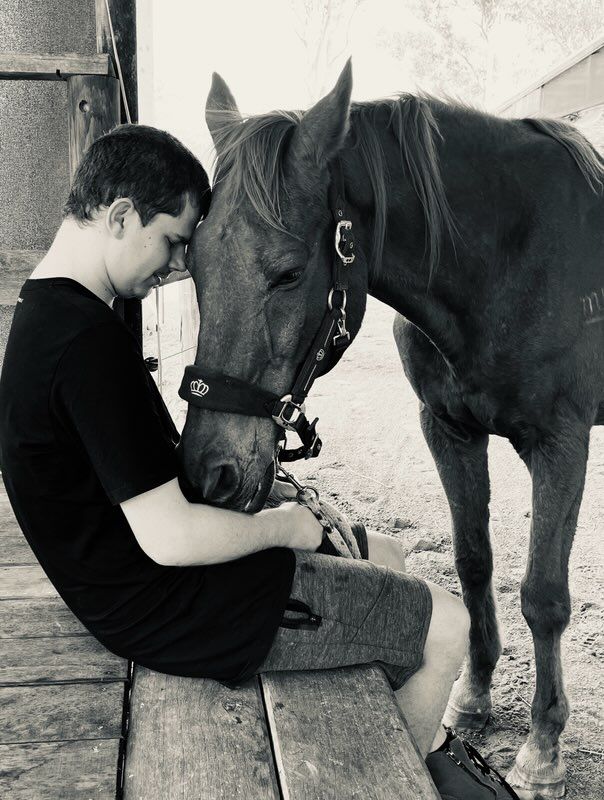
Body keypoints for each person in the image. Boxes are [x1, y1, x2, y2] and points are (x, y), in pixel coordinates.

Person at [0, 124, 518, 799]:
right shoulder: (86, 347)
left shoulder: (49, 315)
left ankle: (388, 725)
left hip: (138, 593)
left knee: (384, 553)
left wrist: (286, 506)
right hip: (177, 612)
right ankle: (396, 775)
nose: (180, 264)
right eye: (175, 240)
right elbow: (171, 539)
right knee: (449, 625)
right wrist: (285, 529)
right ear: (121, 215)